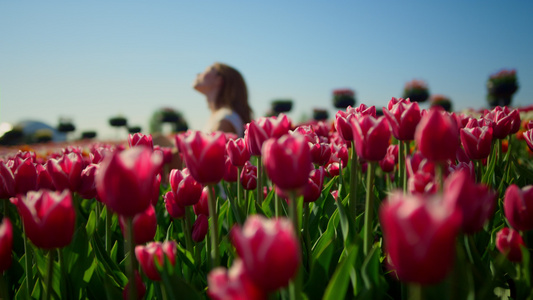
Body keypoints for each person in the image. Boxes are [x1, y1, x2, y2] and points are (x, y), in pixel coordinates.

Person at [193, 62, 253, 137]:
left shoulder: (224, 120)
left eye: (206, 71)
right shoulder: (220, 116)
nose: (198, 74)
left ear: (219, 80)